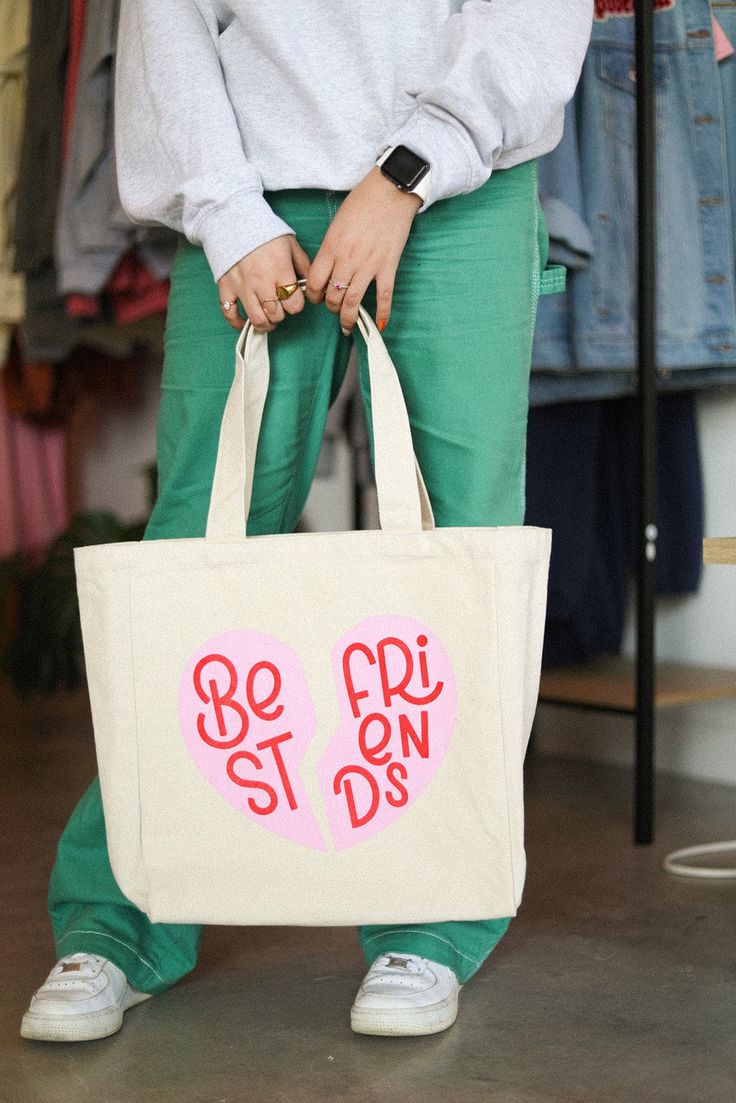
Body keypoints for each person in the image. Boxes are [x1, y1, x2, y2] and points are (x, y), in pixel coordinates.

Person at [21, 0, 593, 1042]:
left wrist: (407, 172)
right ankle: (121, 917)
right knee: (198, 553)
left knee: (460, 553)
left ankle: (433, 915)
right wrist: (227, 210)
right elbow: (166, 22)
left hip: (457, 188)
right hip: (253, 186)